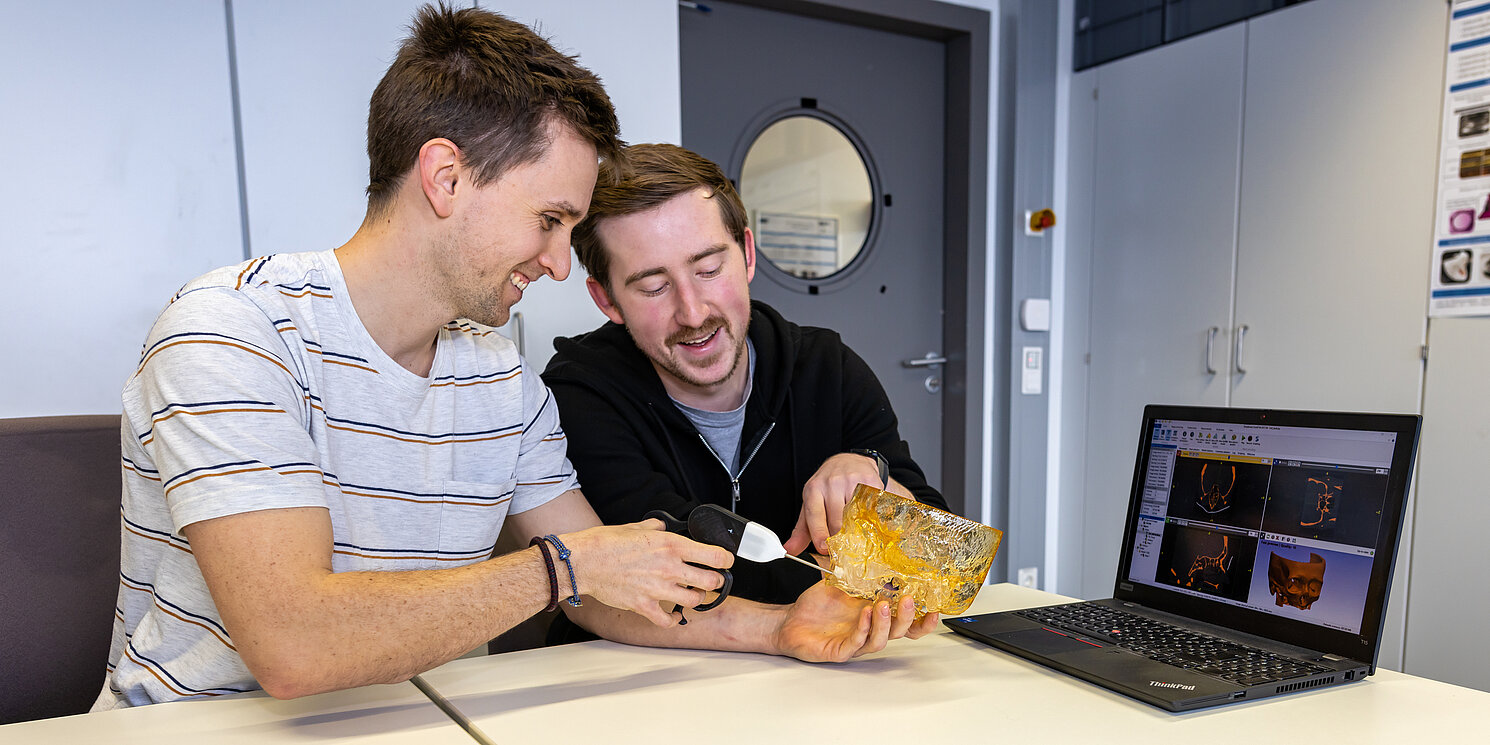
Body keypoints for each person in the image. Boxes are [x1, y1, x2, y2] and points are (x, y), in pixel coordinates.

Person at [95, 5, 935, 710]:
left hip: (428, 719)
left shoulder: (498, 378)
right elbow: (294, 645)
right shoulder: (233, 332)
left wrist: (779, 629)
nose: (561, 263)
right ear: (445, 178)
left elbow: (604, 594)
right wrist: (564, 567)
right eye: (549, 219)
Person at [542, 143, 947, 643]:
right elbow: (675, 580)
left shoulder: (827, 368)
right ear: (607, 300)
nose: (693, 313)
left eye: (709, 269)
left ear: (748, 255)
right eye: (653, 287)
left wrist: (877, 485)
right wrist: (819, 598)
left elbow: (943, 560)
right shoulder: (581, 397)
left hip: (824, 669)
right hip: (641, 675)